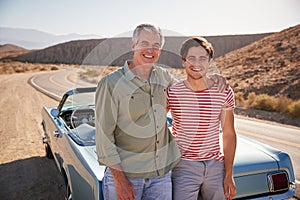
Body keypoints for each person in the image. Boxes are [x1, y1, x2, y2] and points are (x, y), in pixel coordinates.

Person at [95, 23, 181, 200]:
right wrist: (120, 181)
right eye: (144, 43)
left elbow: (184, 94)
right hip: (127, 176)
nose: (150, 49)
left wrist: (211, 81)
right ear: (133, 45)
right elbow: (104, 137)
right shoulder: (111, 84)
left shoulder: (164, 76)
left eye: (156, 46)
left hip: (161, 176)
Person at [167, 36, 237, 200]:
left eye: (202, 58)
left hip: (215, 167)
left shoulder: (223, 91)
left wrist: (228, 174)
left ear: (210, 62)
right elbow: (155, 124)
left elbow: (229, 134)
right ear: (183, 61)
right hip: (183, 166)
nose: (196, 63)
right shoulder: (172, 92)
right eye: (191, 58)